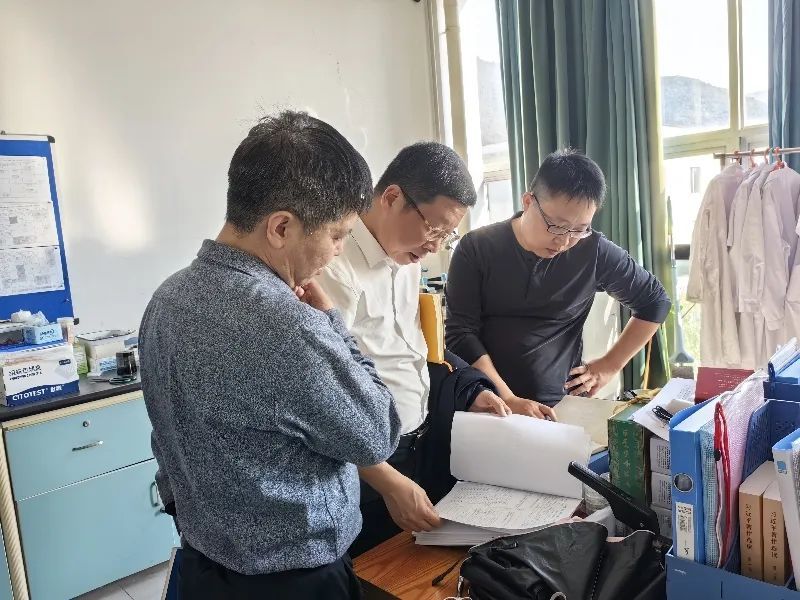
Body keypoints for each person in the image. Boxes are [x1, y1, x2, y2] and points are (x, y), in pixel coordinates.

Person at [139, 111, 401, 599]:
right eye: (337, 235)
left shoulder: (166, 300)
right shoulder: (288, 326)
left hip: (203, 569)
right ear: (281, 227)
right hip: (294, 581)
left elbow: (167, 439)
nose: (337, 252)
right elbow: (377, 433)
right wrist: (332, 324)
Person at [317, 142, 513, 557]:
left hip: (416, 445)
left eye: (447, 235)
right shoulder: (333, 267)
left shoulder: (405, 259)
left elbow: (412, 349)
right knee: (374, 570)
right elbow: (324, 398)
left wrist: (468, 392)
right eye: (433, 229)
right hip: (370, 467)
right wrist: (388, 482)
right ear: (392, 198)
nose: (436, 246)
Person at [445, 148, 671, 411]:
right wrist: (508, 399)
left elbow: (655, 302)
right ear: (528, 202)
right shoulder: (477, 248)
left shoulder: (593, 251)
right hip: (486, 405)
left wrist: (609, 366)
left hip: (560, 406)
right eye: (555, 226)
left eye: (579, 230)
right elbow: (461, 334)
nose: (563, 241)